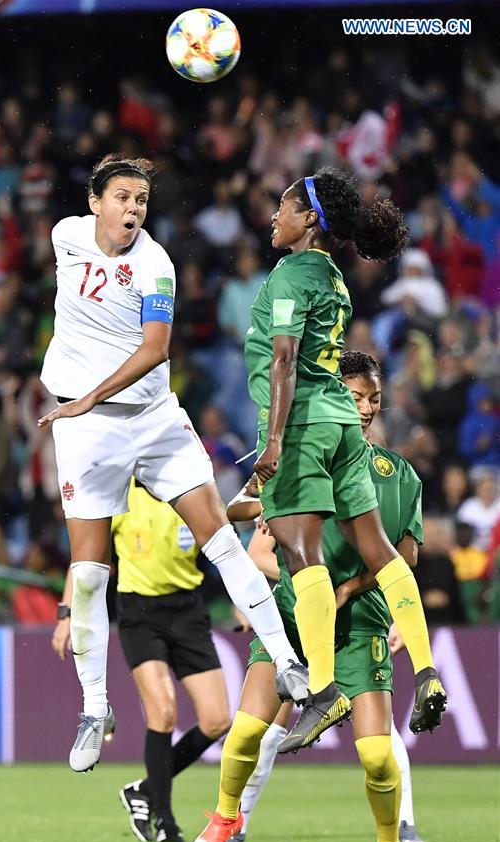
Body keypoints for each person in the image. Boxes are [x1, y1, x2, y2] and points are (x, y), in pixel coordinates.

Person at [38, 154, 308, 773]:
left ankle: (286, 661)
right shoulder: (65, 237)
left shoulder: (156, 265)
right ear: (95, 203)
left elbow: (156, 348)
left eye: (142, 201)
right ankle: (94, 706)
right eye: (123, 197)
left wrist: (89, 395)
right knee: (86, 573)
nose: (134, 210)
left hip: (151, 419)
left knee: (220, 538)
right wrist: (79, 403)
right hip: (84, 431)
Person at [190, 351, 428, 842]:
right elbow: (236, 513)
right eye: (355, 397)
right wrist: (235, 498)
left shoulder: (397, 475)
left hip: (358, 624)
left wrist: (348, 590)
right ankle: (226, 818)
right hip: (292, 623)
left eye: (373, 399)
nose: (365, 408)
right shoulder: (292, 464)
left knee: (377, 755)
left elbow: (405, 558)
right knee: (245, 735)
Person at [244, 167, 446, 749]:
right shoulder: (333, 276)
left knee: (300, 550)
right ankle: (427, 669)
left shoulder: (288, 277)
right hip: (341, 424)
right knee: (379, 550)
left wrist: (276, 440)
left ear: (308, 219)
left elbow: (283, 361)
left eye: (283, 208)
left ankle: (324, 691)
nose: (274, 217)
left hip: (303, 424)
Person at [52, 478, 231, 842]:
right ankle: (164, 819)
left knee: (217, 720)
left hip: (188, 610)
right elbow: (87, 558)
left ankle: (144, 790)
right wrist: (67, 613)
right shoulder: (121, 492)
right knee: (163, 712)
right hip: (140, 614)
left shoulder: (187, 487)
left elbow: (223, 537)